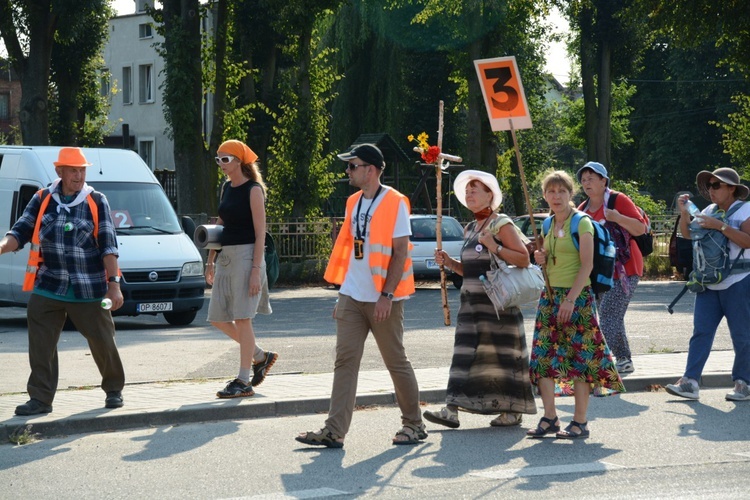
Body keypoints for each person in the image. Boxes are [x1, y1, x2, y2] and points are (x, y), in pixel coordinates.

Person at [296, 143, 426, 448]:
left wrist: (387, 294)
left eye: (352, 166)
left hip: (384, 297)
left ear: (371, 169)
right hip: (352, 295)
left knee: (395, 361)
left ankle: (414, 425)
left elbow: (400, 251)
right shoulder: (353, 201)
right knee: (344, 361)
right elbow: (354, 251)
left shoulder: (395, 202)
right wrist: (343, 293)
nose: (348, 171)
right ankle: (334, 429)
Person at [0, 147, 126, 415]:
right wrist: (1, 246)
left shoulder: (96, 200)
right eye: (73, 170)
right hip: (49, 285)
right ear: (59, 172)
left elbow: (108, 245)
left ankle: (114, 389)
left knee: (103, 339)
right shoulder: (42, 198)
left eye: (82, 170)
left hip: (90, 288)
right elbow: (21, 230)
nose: (79, 176)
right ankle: (41, 399)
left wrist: (113, 285)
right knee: (41, 344)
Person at [422, 170, 537, 429]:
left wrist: (493, 245)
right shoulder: (470, 228)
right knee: (464, 357)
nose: (470, 193)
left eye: (476, 189)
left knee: (502, 358)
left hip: (498, 307)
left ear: (490, 195)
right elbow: (472, 270)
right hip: (471, 306)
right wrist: (450, 263)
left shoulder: (501, 223)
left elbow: (523, 259)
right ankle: (451, 409)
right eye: (467, 190)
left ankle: (512, 410)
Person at [527, 170, 624, 439]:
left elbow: (587, 264)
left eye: (561, 191)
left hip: (577, 297)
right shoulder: (547, 224)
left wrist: (570, 298)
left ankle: (580, 422)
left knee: (581, 360)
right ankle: (549, 418)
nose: (555, 196)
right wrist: (541, 257)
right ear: (545, 195)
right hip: (549, 296)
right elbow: (548, 259)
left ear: (571, 194)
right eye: (550, 191)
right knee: (542, 359)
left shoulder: (582, 223)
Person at [666, 167, 750, 401]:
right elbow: (690, 235)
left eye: (716, 186)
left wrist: (720, 226)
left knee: (742, 335)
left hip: (739, 281)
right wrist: (685, 214)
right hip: (709, 282)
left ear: (732, 189)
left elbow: (748, 242)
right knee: (701, 332)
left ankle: (743, 384)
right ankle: (690, 382)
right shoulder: (709, 210)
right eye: (709, 186)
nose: (711, 191)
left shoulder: (746, 210)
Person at [205, 140, 277, 398]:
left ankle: (243, 379)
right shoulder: (226, 188)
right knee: (217, 317)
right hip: (225, 256)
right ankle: (259, 355)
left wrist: (256, 269)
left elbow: (260, 234)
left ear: (239, 161)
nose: (221, 165)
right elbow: (221, 223)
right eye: (218, 160)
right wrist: (210, 259)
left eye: (225, 159)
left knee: (242, 318)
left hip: (248, 257)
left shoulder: (254, 190)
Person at [576, 161, 647, 374]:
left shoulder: (618, 200)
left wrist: (616, 217)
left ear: (603, 181)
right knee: (610, 316)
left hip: (626, 269)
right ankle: (624, 359)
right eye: (583, 179)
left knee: (608, 315)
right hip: (599, 273)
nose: (586, 183)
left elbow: (640, 228)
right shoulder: (582, 210)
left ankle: (604, 361)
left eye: (591, 178)